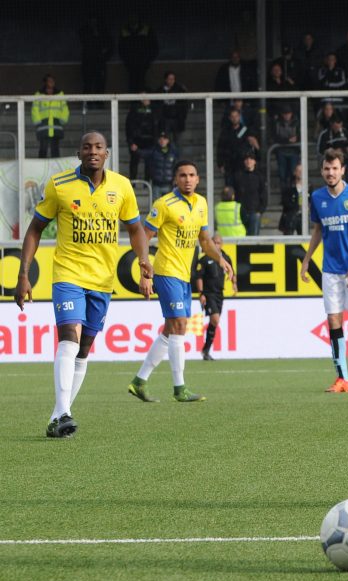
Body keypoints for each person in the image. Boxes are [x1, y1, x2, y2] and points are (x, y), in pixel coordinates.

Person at [14, 131, 153, 438]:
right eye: (87, 146)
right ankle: (64, 412)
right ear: (79, 153)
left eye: (98, 147)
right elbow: (35, 229)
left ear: (107, 154)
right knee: (68, 337)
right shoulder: (59, 185)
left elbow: (135, 228)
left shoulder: (122, 187)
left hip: (102, 280)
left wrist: (143, 259)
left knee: (84, 348)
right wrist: (23, 274)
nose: (93, 151)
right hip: (67, 275)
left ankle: (58, 415)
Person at [128, 160, 233, 403]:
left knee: (174, 328)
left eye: (192, 175)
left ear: (198, 179)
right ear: (176, 179)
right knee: (179, 323)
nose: (187, 179)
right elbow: (144, 237)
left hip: (184, 274)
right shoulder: (164, 204)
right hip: (166, 272)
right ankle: (179, 387)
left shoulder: (201, 204)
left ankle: (139, 381)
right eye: (182, 175)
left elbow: (205, 241)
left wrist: (220, 259)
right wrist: (144, 272)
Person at [300, 149, 348, 393]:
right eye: (326, 169)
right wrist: (307, 259)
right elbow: (318, 230)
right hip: (330, 269)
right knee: (333, 320)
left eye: (335, 168)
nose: (330, 173)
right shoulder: (317, 197)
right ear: (322, 171)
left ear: (342, 170)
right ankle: (343, 377)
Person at [196, 233, 237, 360]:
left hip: (220, 293)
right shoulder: (204, 259)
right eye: (214, 242)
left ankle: (206, 350)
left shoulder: (225, 258)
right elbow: (199, 277)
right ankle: (205, 350)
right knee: (215, 319)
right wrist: (201, 293)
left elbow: (232, 271)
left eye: (218, 242)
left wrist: (234, 284)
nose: (216, 245)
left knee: (215, 322)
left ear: (222, 244)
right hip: (209, 294)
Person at [32, 74, 69, 158]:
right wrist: (37, 121)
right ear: (45, 82)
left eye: (52, 80)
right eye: (49, 81)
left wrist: (63, 119)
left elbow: (64, 108)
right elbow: (35, 108)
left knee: (55, 148)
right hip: (43, 125)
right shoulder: (38, 94)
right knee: (43, 148)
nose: (51, 82)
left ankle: (56, 168)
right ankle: (41, 167)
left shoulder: (60, 94)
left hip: (56, 124)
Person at [118, 15, 158, 93]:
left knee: (142, 85)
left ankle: (141, 104)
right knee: (132, 85)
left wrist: (147, 61)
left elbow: (154, 47)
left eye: (135, 16)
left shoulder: (146, 29)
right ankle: (133, 104)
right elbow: (121, 49)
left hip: (143, 65)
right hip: (130, 65)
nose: (133, 19)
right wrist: (127, 62)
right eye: (131, 17)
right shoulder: (124, 30)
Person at [233, 151, 266, 236]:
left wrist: (260, 210)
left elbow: (263, 194)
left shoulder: (259, 177)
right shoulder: (238, 176)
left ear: (254, 161)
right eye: (247, 159)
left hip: (254, 212)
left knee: (253, 238)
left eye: (251, 159)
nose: (248, 161)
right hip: (241, 211)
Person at [125, 97, 157, 180]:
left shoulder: (154, 110)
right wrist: (131, 142)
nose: (145, 99)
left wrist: (155, 143)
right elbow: (129, 127)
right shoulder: (134, 109)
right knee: (134, 163)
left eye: (146, 97)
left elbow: (156, 126)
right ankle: (132, 184)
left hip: (149, 142)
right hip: (136, 141)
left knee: (149, 164)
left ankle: (147, 184)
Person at [146, 131, 179, 198]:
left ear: (168, 140)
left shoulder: (173, 152)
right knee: (157, 205)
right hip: (156, 184)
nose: (162, 141)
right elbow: (145, 155)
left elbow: (176, 167)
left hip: (169, 184)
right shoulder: (153, 151)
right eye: (160, 139)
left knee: (169, 205)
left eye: (164, 139)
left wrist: (175, 179)